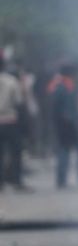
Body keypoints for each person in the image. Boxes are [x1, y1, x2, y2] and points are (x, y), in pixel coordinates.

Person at [48, 64, 78, 189]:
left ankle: (62, 180)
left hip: (64, 125)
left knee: (64, 151)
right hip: (69, 125)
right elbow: (66, 110)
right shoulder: (65, 87)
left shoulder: (58, 86)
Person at [0, 56, 31, 192]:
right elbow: (19, 102)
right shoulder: (11, 81)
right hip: (10, 121)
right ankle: (17, 182)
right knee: (16, 153)